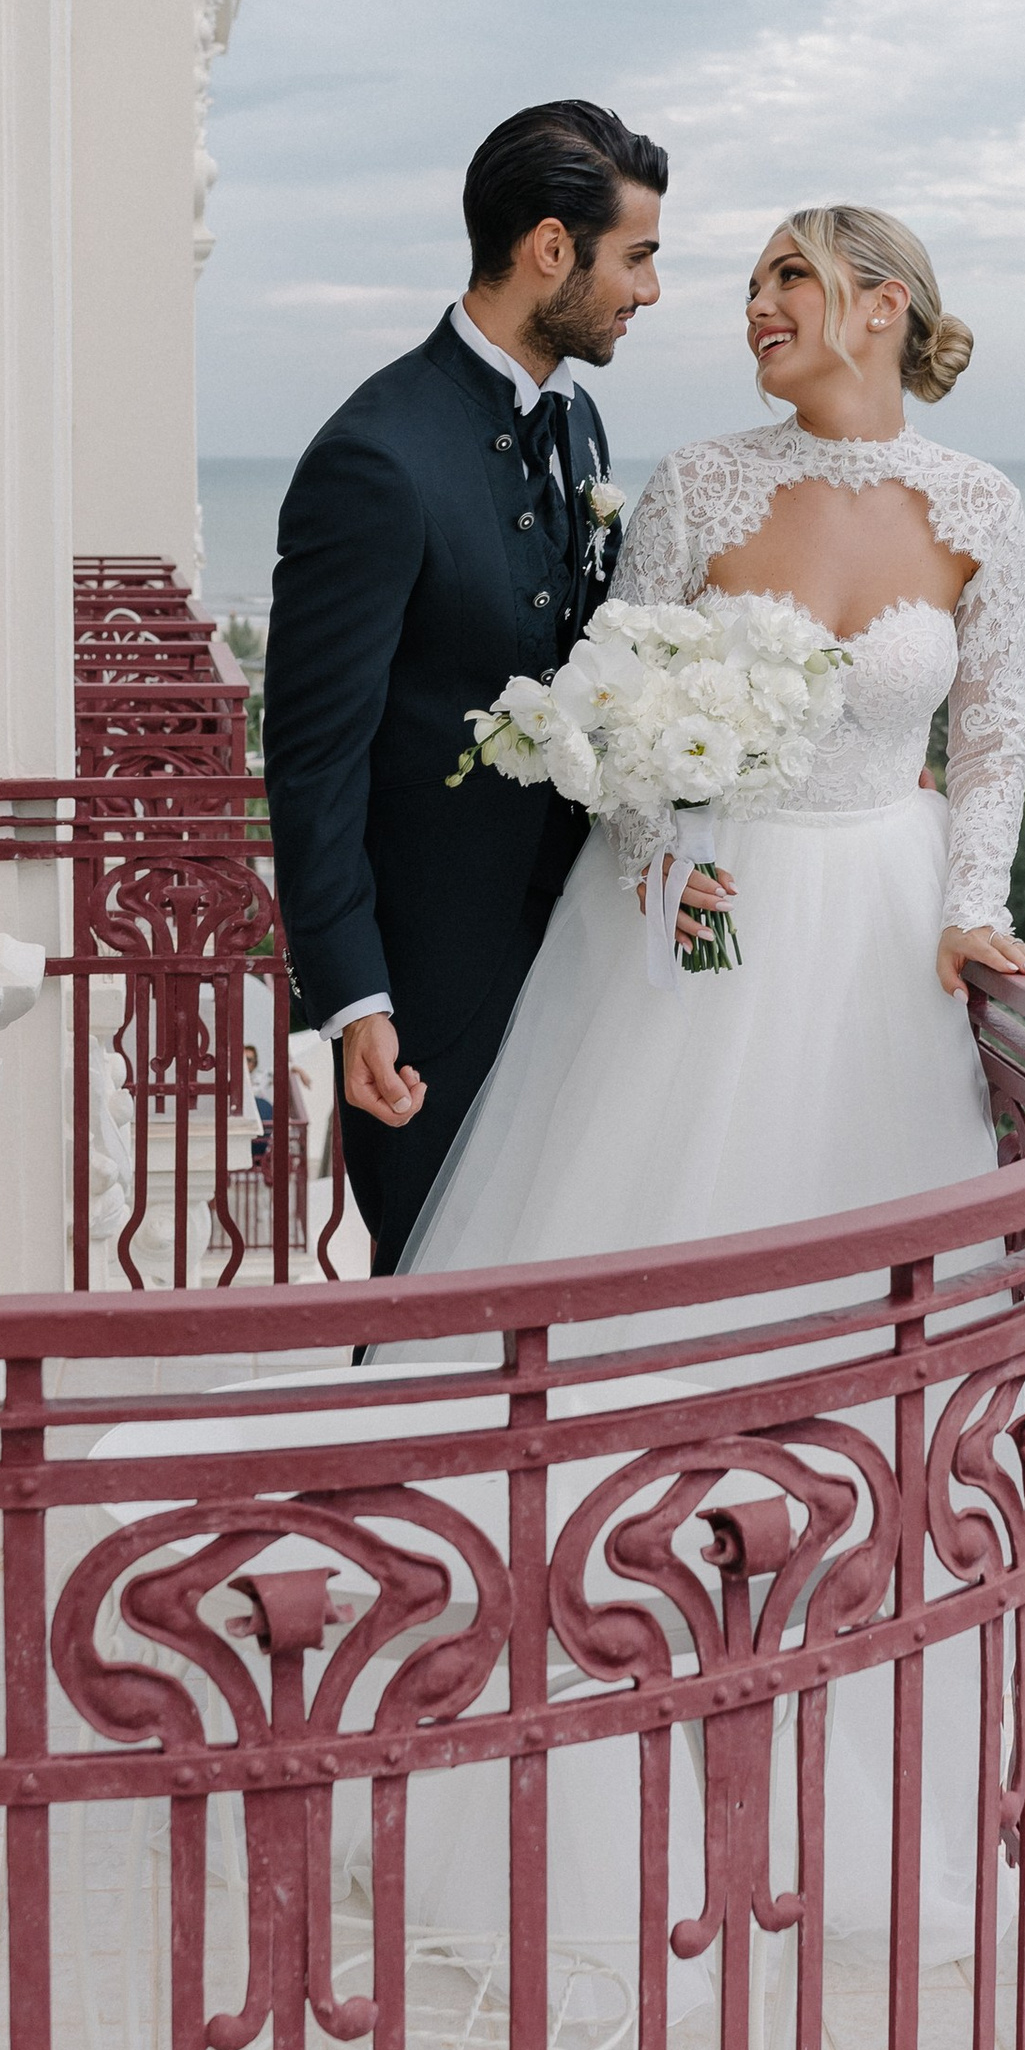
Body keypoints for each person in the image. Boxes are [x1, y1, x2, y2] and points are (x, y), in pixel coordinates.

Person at [399, 202, 1025, 1281]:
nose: (755, 306)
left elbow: (991, 738)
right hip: (697, 915)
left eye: (789, 277)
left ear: (885, 305)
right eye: (752, 285)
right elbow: (611, 694)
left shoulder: (981, 506)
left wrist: (974, 904)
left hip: (885, 923)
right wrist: (656, 849)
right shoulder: (701, 483)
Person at [261, 99, 667, 1272]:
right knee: (435, 1299)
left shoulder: (577, 419)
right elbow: (315, 759)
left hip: (576, 956)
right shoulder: (373, 457)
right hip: (432, 990)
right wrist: (354, 1003)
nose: (646, 292)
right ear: (551, 248)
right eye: (634, 258)